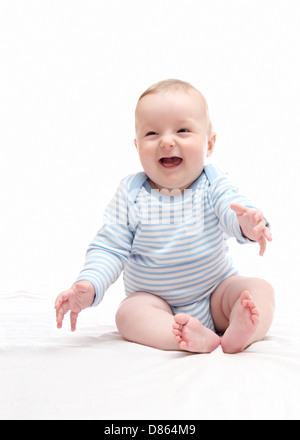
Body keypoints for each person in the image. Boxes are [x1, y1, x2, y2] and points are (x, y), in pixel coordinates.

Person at [55, 79, 275, 354]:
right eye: (152, 134)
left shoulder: (212, 182)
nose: (167, 141)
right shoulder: (131, 194)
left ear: (209, 144)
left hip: (216, 293)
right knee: (128, 313)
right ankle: (186, 337)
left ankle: (240, 332)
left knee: (260, 290)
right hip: (156, 302)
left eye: (182, 130)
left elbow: (232, 207)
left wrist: (247, 223)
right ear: (137, 147)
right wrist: (89, 284)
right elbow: (110, 246)